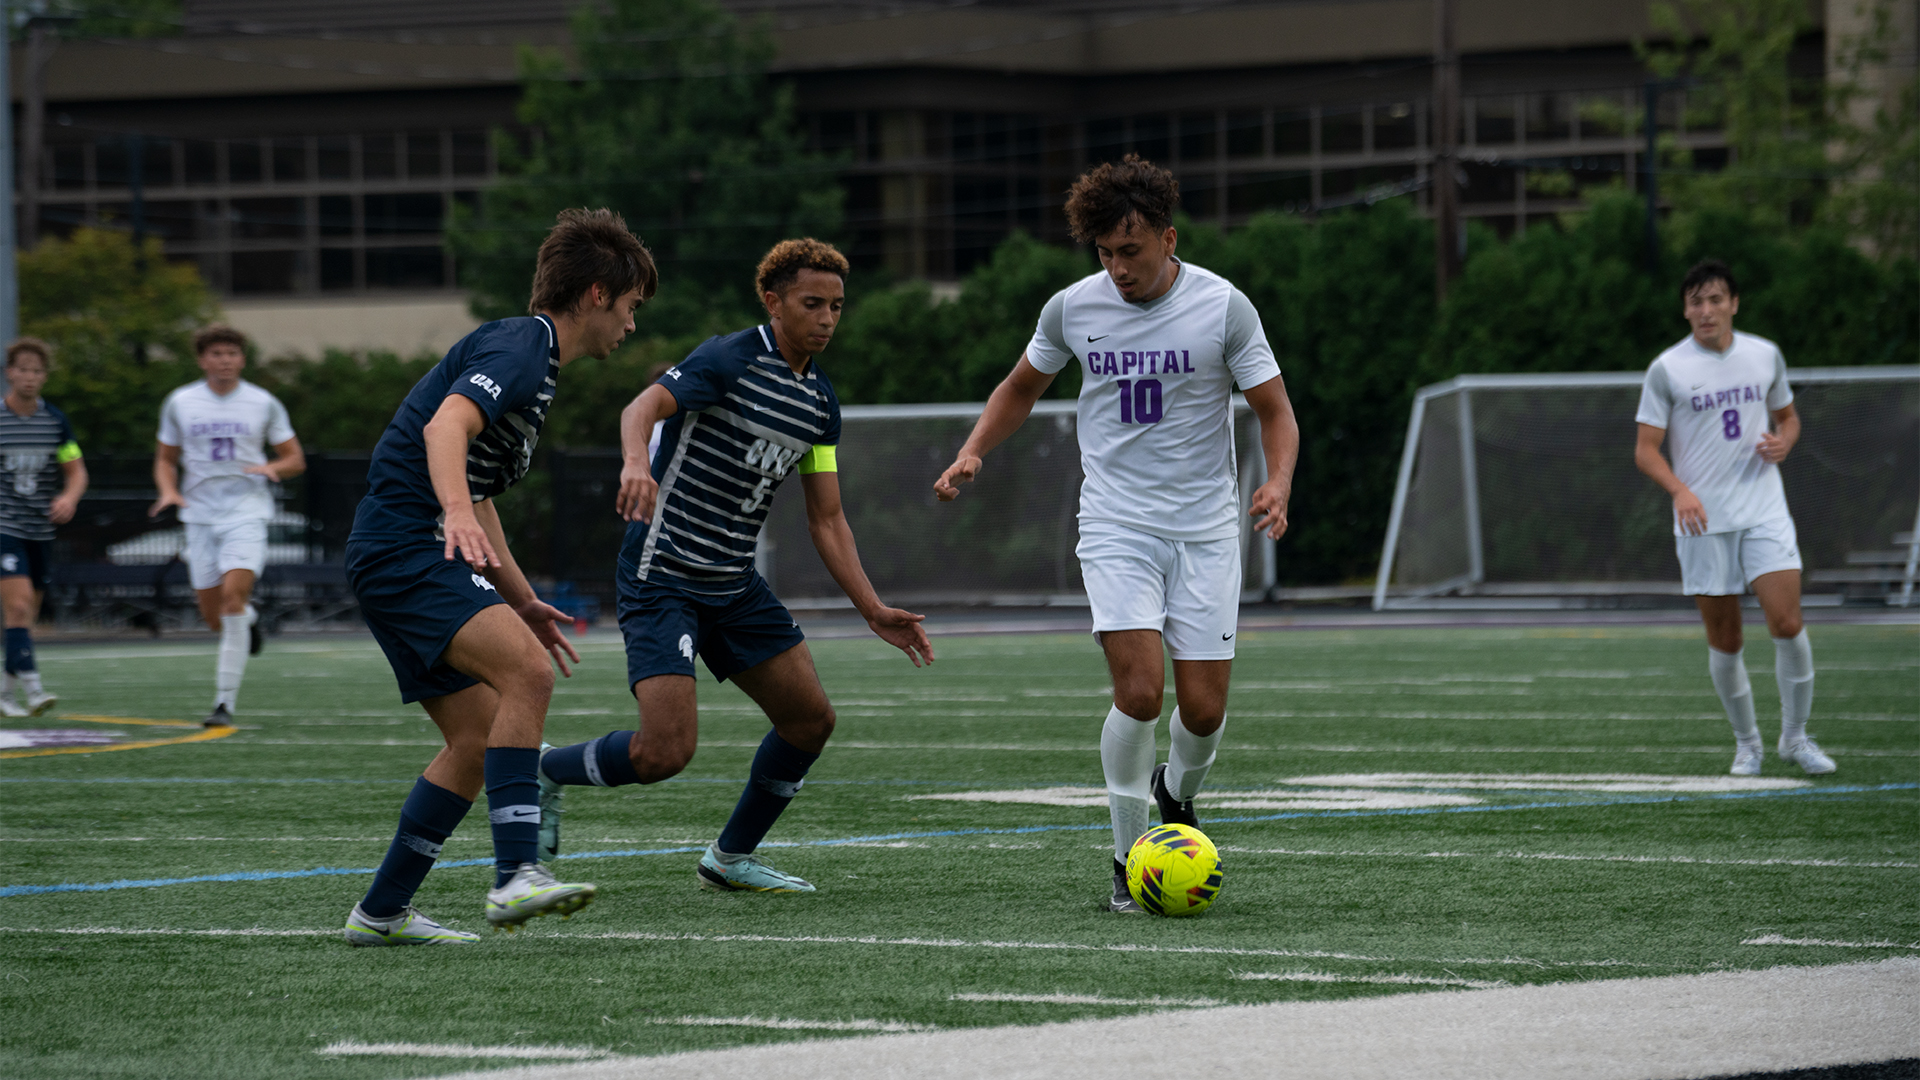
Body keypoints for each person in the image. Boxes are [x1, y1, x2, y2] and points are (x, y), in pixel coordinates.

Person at [933, 155, 1299, 913]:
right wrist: (973, 449)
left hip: (1204, 531)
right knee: (1138, 693)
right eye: (1104, 253)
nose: (1117, 268)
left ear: (1169, 239)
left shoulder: (1224, 306)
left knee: (1202, 712)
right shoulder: (1073, 308)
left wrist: (1277, 481)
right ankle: (1126, 857)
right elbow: (1019, 388)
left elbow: (1275, 410)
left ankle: (1176, 791)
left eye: (1130, 251)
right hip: (1116, 524)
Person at [535, 238, 934, 894]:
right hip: (663, 573)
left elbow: (827, 519)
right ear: (773, 302)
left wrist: (873, 609)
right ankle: (549, 768)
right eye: (812, 304)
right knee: (665, 752)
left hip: (733, 583)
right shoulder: (727, 358)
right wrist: (636, 463)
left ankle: (729, 857)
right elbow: (641, 408)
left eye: (837, 306)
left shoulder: (820, 403)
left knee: (811, 720)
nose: (827, 318)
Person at [340, 208, 654, 946]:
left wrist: (521, 600)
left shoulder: (532, 364)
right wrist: (449, 513)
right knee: (527, 676)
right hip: (407, 545)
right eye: (634, 307)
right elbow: (444, 430)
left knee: (477, 743)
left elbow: (478, 489)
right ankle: (517, 876)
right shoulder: (522, 343)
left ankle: (380, 912)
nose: (632, 327)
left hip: (405, 547)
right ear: (599, 294)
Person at [1634, 259, 1830, 778]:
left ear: (1734, 304)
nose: (1706, 310)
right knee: (1727, 639)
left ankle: (1796, 738)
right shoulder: (1667, 368)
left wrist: (1783, 441)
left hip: (1764, 509)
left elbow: (1787, 418)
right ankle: (1748, 744)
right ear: (1685, 310)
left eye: (1715, 299)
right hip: (1703, 523)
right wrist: (1679, 491)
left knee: (1787, 623)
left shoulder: (1765, 355)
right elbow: (1646, 450)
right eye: (1696, 301)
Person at [150, 325, 305, 728]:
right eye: (216, 353)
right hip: (199, 515)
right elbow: (166, 459)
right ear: (202, 359)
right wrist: (168, 490)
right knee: (215, 616)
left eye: (232, 353)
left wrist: (272, 467)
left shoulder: (262, 402)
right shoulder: (181, 402)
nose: (225, 360)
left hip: (246, 511)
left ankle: (223, 704)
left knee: (233, 598)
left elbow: (295, 458)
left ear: (242, 359)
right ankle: (250, 623)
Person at [0, 338, 86, 717]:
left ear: (44, 377)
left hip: (40, 530)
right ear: (10, 373)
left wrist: (69, 496)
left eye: (37, 371)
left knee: (23, 615)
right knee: (18, 606)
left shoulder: (55, 421)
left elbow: (76, 470)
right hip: (5, 526)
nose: (30, 377)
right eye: (23, 369)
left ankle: (4, 692)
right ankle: (34, 689)